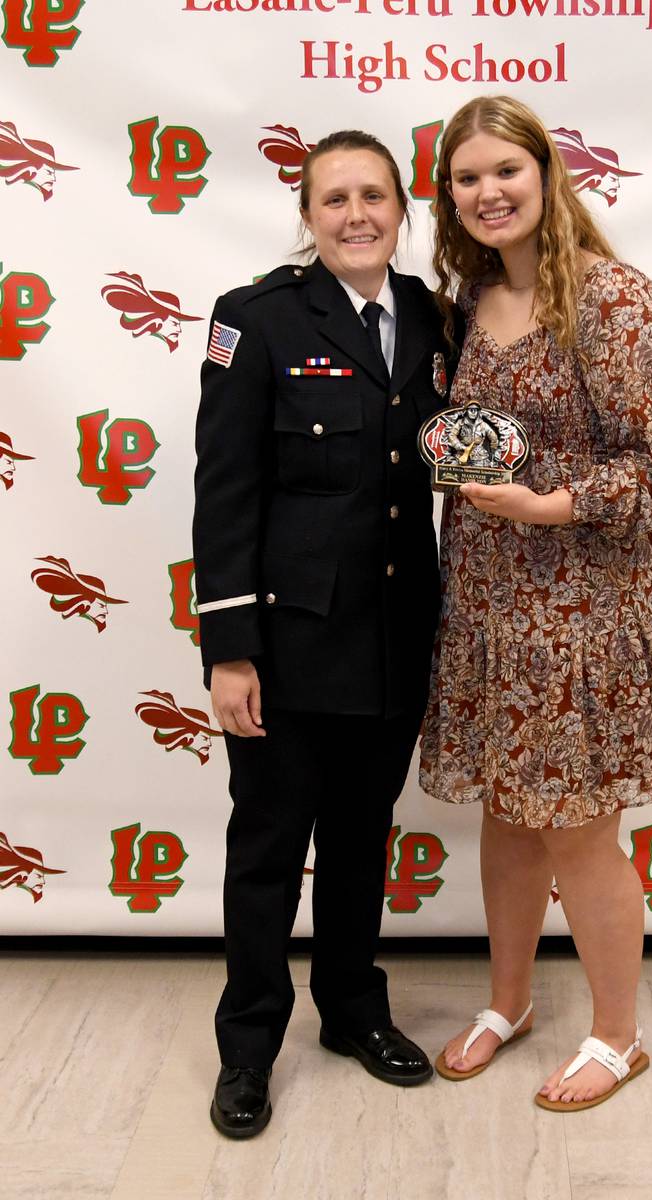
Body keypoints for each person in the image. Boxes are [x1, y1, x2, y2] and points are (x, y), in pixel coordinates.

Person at [419, 96, 652, 1111]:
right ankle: (508, 1004)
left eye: (505, 170)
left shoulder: (611, 299)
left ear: (545, 173)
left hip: (580, 606)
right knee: (505, 815)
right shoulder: (467, 298)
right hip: (488, 605)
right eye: (466, 177)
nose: (488, 192)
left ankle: (616, 1039)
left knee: (578, 829)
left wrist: (552, 503)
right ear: (449, 197)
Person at [193, 130, 458, 1138]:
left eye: (374, 197)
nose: (356, 214)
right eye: (334, 198)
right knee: (266, 850)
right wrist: (228, 650)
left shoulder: (434, 321)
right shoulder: (253, 321)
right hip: (287, 646)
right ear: (306, 217)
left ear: (401, 211)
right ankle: (248, 1047)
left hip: (393, 636)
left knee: (359, 842)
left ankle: (352, 1011)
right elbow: (225, 494)